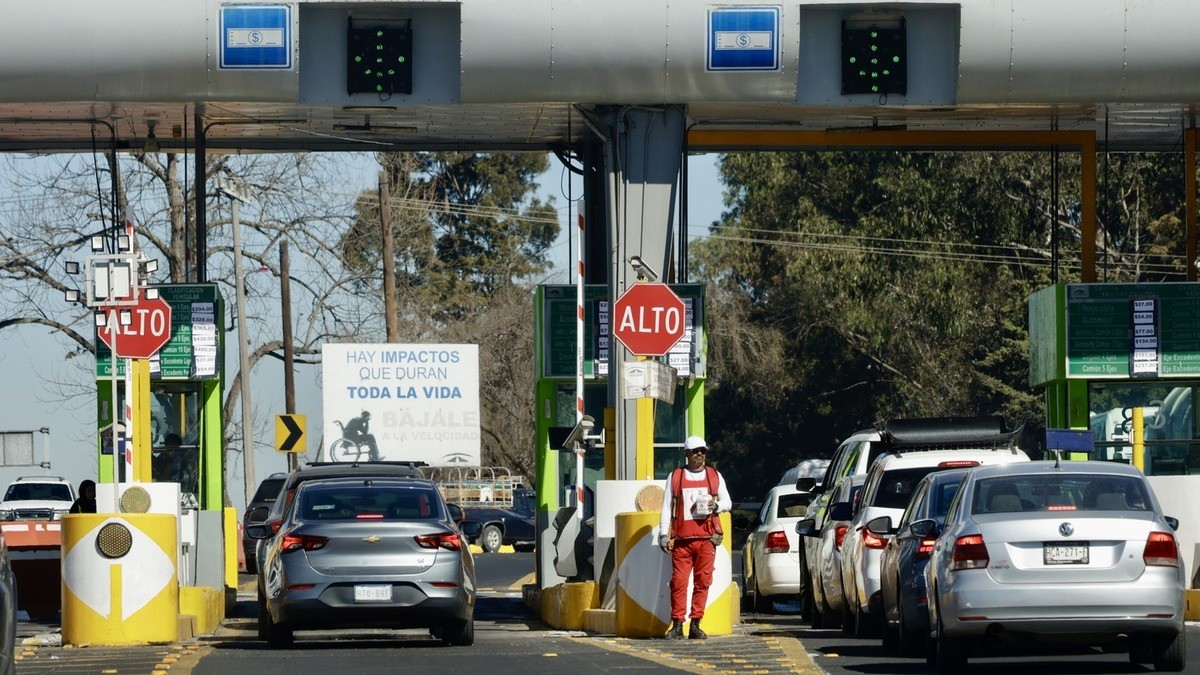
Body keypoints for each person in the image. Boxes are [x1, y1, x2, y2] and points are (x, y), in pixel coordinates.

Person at [658, 435, 732, 640]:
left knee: (703, 582)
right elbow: (666, 508)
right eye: (696, 451)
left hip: (707, 539)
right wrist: (663, 534)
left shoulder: (714, 476)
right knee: (679, 582)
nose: (700, 454)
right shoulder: (675, 477)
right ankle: (677, 624)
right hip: (682, 540)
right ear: (686, 454)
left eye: (703, 451)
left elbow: (728, 502)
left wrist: (716, 506)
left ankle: (696, 624)